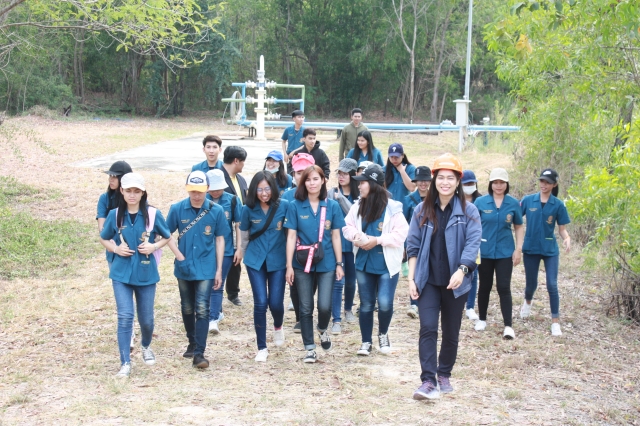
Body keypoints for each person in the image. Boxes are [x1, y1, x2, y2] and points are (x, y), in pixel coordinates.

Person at [407, 153, 481, 400]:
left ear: (458, 181)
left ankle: (444, 373)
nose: (445, 182)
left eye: (450, 178)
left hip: (455, 282)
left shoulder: (469, 211)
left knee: (451, 331)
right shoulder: (421, 210)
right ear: (434, 180)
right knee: (427, 328)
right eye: (441, 177)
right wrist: (411, 279)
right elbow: (413, 246)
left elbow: (472, 245)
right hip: (427, 280)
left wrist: (462, 270)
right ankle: (428, 381)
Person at [99, 172, 172, 377]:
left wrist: (153, 246)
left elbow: (167, 236)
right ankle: (125, 362)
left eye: (136, 191)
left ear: (143, 193)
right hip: (121, 273)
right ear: (122, 191)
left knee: (146, 319)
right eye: (129, 190)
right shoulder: (114, 215)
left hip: (146, 272)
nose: (132, 195)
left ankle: (146, 345)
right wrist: (115, 249)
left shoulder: (153, 214)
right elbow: (103, 237)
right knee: (125, 316)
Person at [343, 164, 409, 356]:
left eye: (362, 183)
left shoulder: (393, 208)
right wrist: (356, 236)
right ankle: (366, 342)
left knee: (385, 303)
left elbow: (401, 234)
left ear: (373, 184)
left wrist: (377, 240)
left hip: (386, 263)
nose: (359, 186)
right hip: (364, 262)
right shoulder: (357, 206)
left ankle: (383, 334)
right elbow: (346, 227)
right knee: (366, 303)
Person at [284, 165, 345, 363]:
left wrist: (339, 263)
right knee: (305, 307)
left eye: (316, 179)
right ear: (303, 183)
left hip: (327, 262)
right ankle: (309, 348)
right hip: (302, 263)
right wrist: (289, 266)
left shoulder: (332, 206)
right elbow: (291, 236)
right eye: (308, 180)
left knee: (325, 306)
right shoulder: (295, 206)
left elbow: (336, 236)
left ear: (323, 181)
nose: (312, 183)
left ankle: (322, 328)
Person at [166, 171, 226, 369]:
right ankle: (191, 341)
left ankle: (199, 353)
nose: (196, 195)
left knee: (202, 308)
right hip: (184, 266)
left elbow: (220, 239)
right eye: (192, 191)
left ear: (207, 189)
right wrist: (178, 255)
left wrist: (219, 269)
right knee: (187, 306)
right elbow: (165, 234)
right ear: (187, 189)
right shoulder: (177, 209)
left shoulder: (216, 211)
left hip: (206, 266)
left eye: (200, 191)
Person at [239, 172, 290, 362]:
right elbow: (244, 234)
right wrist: (242, 253)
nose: (263, 193)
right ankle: (262, 347)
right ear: (254, 190)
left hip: (278, 260)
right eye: (259, 189)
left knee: (275, 303)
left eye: (267, 189)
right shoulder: (247, 209)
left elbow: (290, 234)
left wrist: (290, 262)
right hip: (255, 260)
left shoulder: (284, 206)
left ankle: (278, 325)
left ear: (273, 188)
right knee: (260, 303)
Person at [519, 168, 571, 336]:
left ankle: (555, 322)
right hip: (531, 248)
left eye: (548, 182)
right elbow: (516, 219)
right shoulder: (528, 200)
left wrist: (567, 238)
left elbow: (562, 228)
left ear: (554, 184)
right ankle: (527, 302)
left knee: (552, 284)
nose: (544, 184)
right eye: (542, 181)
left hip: (550, 249)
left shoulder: (558, 204)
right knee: (531, 284)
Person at [474, 168, 524, 339]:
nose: (498, 185)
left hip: (505, 251)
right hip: (484, 251)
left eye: (502, 182)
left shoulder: (513, 203)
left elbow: (518, 226)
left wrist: (518, 249)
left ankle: (508, 326)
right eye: (495, 182)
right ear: (490, 184)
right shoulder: (480, 202)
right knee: (485, 286)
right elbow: (472, 226)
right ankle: (482, 319)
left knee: (504, 287)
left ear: (507, 184)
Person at [281, 152, 316, 333]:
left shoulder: (320, 195)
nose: (301, 176)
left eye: (306, 172)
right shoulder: (287, 196)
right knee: (294, 283)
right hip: (292, 247)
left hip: (314, 248)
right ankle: (300, 318)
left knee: (312, 283)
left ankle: (307, 313)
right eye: (298, 172)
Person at [205, 169, 243, 335]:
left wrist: (239, 248)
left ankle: (212, 319)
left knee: (218, 283)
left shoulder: (232, 200)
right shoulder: (201, 200)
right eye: (212, 189)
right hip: (206, 249)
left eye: (218, 188)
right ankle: (216, 310)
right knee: (207, 282)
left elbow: (238, 225)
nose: (215, 192)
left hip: (226, 249)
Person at [327, 158, 360, 333]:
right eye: (339, 173)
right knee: (338, 281)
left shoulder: (358, 195)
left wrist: (341, 199)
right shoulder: (331, 193)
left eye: (345, 174)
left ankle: (348, 309)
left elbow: (355, 216)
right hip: (336, 244)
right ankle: (336, 318)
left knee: (351, 280)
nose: (341, 177)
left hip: (353, 244)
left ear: (353, 175)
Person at [403, 165, 432, 319]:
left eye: (426, 180)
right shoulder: (409, 200)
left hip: (431, 241)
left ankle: (428, 302)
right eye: (420, 180)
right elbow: (403, 223)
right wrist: (404, 246)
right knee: (414, 272)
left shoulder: (435, 199)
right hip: (414, 241)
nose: (423, 183)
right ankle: (414, 303)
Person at [221, 146, 248, 306]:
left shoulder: (241, 180)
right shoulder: (218, 178)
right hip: (223, 226)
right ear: (236, 161)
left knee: (236, 259)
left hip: (239, 225)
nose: (244, 165)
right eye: (243, 162)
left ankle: (233, 293)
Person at [461, 170, 482, 321]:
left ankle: (470, 307)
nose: (469, 186)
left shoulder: (481, 201)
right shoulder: (455, 200)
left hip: (475, 244)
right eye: (466, 184)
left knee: (473, 275)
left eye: (471, 183)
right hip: (457, 242)